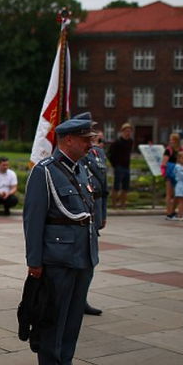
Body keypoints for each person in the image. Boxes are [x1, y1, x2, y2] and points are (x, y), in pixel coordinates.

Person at [23, 117, 99, 365]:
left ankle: (66, 364)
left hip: (81, 253)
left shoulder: (81, 169)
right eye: (85, 139)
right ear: (68, 140)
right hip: (57, 255)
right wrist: (34, 260)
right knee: (54, 314)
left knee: (74, 314)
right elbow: (33, 219)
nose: (91, 143)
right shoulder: (45, 171)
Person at [76, 113, 107, 317]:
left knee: (90, 259)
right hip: (80, 213)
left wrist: (102, 213)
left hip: (94, 210)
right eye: (88, 134)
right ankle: (76, 299)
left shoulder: (99, 154)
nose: (92, 138)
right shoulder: (79, 154)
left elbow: (103, 185)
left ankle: (82, 298)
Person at [108, 123, 133, 210]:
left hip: (127, 166)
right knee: (116, 186)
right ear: (122, 132)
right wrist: (115, 165)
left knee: (125, 187)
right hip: (119, 166)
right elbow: (110, 154)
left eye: (129, 131)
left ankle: (123, 204)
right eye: (126, 131)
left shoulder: (130, 142)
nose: (128, 133)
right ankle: (114, 205)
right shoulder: (117, 143)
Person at [162, 132, 181, 220]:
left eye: (173, 139)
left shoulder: (181, 150)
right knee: (169, 193)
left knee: (177, 193)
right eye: (170, 139)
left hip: (178, 174)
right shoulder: (168, 150)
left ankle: (173, 210)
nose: (171, 141)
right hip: (170, 173)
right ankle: (169, 212)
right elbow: (164, 163)